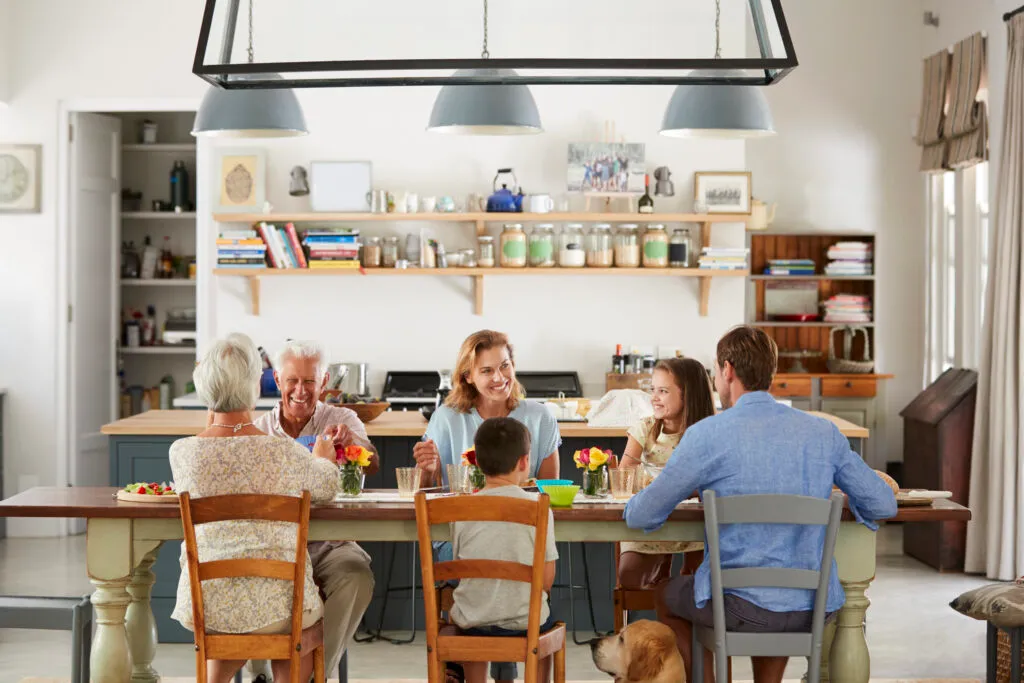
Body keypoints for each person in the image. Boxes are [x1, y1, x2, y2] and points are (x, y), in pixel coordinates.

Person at [624, 326, 897, 683]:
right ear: (771, 371)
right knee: (775, 594)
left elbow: (643, 513)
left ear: (727, 370)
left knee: (670, 593)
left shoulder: (707, 435)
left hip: (737, 607)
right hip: (810, 607)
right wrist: (843, 498)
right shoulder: (822, 432)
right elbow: (883, 503)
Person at [169, 335, 341, 683]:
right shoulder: (284, 452)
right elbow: (327, 487)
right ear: (255, 385)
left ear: (204, 385)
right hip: (282, 605)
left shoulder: (182, 454)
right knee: (302, 631)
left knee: (242, 623)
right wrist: (324, 459)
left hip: (209, 605)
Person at [414, 329, 560, 683]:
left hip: (516, 539)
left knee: (510, 552)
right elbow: (430, 496)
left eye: (505, 366)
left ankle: (470, 658)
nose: (499, 378)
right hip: (467, 543)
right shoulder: (447, 418)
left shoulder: (539, 416)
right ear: (467, 376)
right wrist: (428, 470)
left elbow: (548, 490)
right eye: (487, 371)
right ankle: (486, 658)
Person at [248, 339, 377, 681]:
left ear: (324, 382)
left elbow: (373, 462)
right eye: (292, 380)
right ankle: (271, 669)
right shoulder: (258, 431)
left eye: (309, 381)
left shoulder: (341, 418)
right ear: (277, 379)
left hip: (331, 544)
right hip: (275, 548)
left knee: (356, 575)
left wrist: (352, 443)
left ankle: (310, 676)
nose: (300, 391)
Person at [450, 417, 559, 683]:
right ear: (524, 462)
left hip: (472, 619)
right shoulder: (538, 506)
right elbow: (546, 581)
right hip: (525, 621)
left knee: (473, 619)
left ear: (476, 462)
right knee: (546, 611)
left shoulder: (458, 509)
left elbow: (459, 571)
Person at [617, 357, 715, 589]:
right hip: (652, 517)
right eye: (653, 390)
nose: (654, 397)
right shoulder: (645, 427)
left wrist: (677, 489)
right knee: (629, 577)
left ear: (688, 395)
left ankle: (675, 603)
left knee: (695, 582)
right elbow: (624, 473)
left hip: (694, 524)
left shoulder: (707, 432)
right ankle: (662, 563)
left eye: (663, 391)